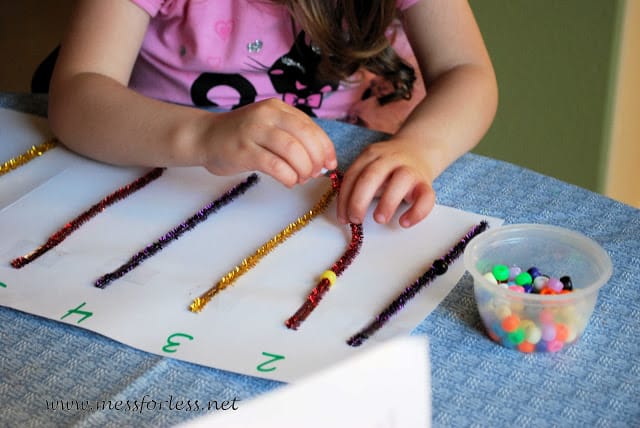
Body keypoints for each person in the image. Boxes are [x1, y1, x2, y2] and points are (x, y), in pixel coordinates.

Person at [48, 0, 498, 228]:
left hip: (311, 202)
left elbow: (468, 74)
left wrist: (419, 149)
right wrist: (204, 136)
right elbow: (75, 96)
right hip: (157, 185)